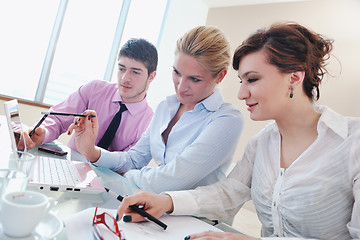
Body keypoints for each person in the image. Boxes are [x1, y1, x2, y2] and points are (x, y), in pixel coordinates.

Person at [114, 22, 360, 239]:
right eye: (241, 81)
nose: (242, 93)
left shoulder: (353, 143)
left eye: (252, 80)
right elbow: (227, 193)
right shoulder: (262, 143)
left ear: (294, 78)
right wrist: (167, 201)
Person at [68, 26, 244, 193]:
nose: (181, 86)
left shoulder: (227, 119)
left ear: (220, 76)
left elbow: (171, 180)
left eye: (195, 79)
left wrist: (126, 175)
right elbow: (134, 159)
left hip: (190, 219)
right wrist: (92, 151)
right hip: (152, 204)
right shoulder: (166, 108)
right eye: (177, 72)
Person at [21, 38, 157, 153]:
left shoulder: (150, 122)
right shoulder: (95, 90)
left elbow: (128, 163)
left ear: (151, 76)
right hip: (70, 168)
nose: (125, 78)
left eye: (135, 72)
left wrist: (92, 151)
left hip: (107, 182)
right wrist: (43, 132)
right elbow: (57, 118)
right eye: (121, 69)